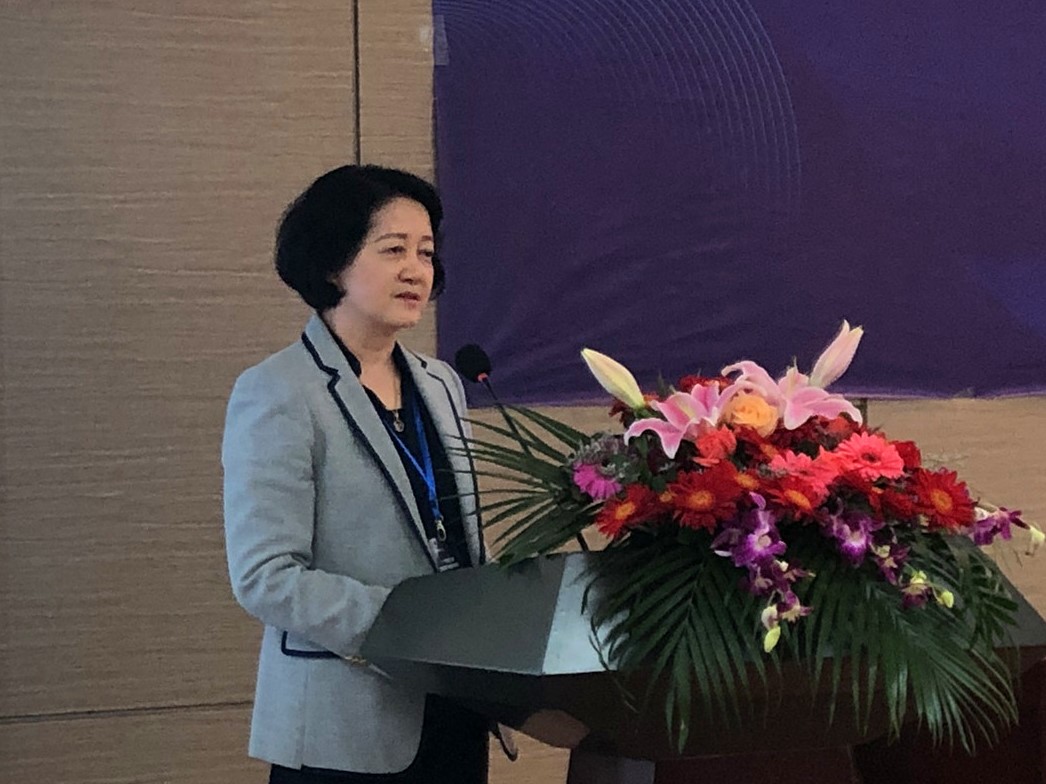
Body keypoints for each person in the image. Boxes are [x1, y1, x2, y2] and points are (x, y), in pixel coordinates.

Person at [222, 164, 489, 782]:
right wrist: (406, 623)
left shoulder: (442, 384)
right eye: (393, 250)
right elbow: (266, 576)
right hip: (345, 723)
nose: (416, 270)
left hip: (457, 707)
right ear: (332, 264)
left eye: (426, 252)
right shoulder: (279, 391)